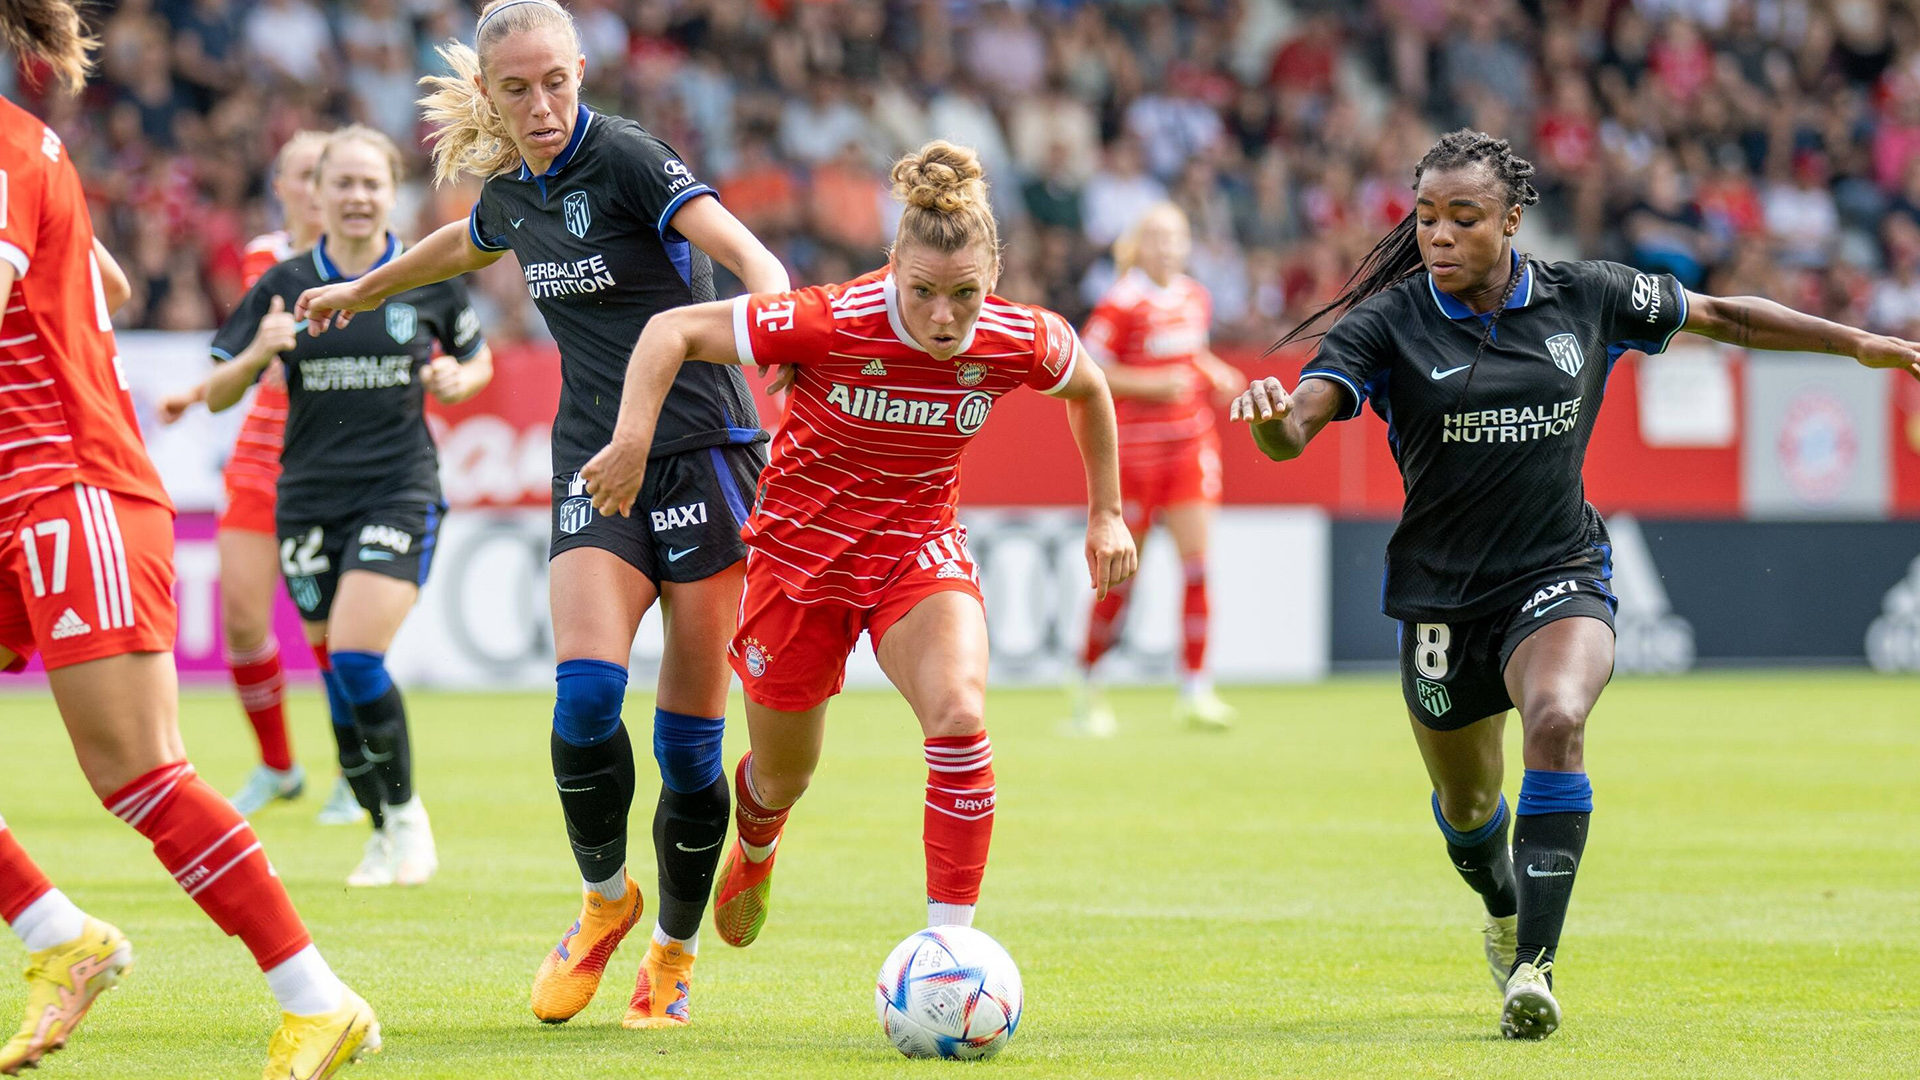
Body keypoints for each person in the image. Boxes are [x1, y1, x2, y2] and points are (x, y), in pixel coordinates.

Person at [1229, 129, 1920, 1042]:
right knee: (1472, 816)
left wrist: (1862, 343)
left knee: (1557, 719)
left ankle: (1536, 968)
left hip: (1557, 573)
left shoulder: (1584, 296)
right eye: (1426, 217)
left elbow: (1728, 318)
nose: (1438, 235)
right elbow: (1300, 425)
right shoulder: (1389, 324)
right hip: (1440, 604)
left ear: (1512, 220)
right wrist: (1274, 424)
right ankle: (1504, 908)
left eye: (1463, 218)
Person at [295, 0, 790, 1028]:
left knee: (691, 752)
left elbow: (753, 258)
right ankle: (606, 902)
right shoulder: (515, 194)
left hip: (703, 462)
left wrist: (776, 320)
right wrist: (366, 288)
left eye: (556, 81)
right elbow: (460, 246)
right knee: (581, 701)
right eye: (515, 88)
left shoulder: (635, 162)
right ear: (487, 93)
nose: (542, 104)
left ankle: (673, 953)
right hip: (594, 464)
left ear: (580, 72)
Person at [578, 140, 1136, 954]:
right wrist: (631, 441)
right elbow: (669, 332)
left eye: (966, 296)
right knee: (781, 778)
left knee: (959, 717)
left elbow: (1088, 386)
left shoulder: (1020, 338)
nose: (945, 317)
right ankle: (759, 844)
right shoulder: (827, 319)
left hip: (918, 552)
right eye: (924, 293)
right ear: (891, 268)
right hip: (799, 566)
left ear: (995, 278)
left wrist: (1107, 513)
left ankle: (951, 954)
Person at [0, 6, 376, 1076]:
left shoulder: (6, 142)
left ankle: (319, 998)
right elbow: (105, 279)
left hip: (64, 487)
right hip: (13, 490)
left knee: (137, 776)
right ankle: (57, 936)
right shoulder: (33, 158)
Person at [207, 124, 494, 889]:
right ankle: (378, 826)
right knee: (338, 674)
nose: (359, 197)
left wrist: (462, 382)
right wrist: (255, 354)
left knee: (359, 654)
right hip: (306, 502)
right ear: (318, 194)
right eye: (344, 184)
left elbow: (477, 356)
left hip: (397, 488)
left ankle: (406, 816)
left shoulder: (425, 275)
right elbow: (215, 392)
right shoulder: (283, 282)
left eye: (373, 183)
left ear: (391, 191)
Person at [158, 129, 371, 824]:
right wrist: (202, 391)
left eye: (325, 172)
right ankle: (279, 766)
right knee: (245, 620)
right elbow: (258, 356)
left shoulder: (374, 261)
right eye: (304, 174)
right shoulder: (266, 259)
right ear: (281, 188)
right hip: (260, 455)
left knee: (333, 633)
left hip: (333, 453)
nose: (317, 187)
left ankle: (354, 769)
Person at [1072, 202, 1242, 736]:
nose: (1168, 247)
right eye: (1158, 238)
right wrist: (1151, 385)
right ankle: (1087, 686)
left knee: (1197, 567)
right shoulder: (1122, 301)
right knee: (1121, 577)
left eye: (1177, 237)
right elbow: (1089, 368)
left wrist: (1216, 372)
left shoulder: (1195, 296)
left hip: (1190, 446)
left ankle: (1195, 689)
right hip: (1136, 455)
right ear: (1140, 245)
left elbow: (1192, 356)